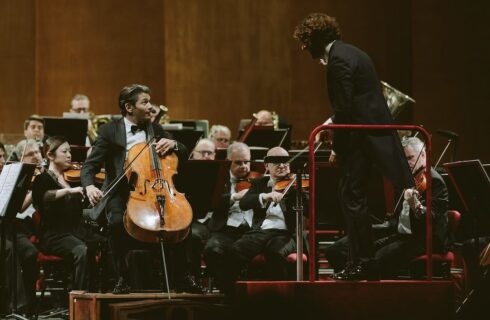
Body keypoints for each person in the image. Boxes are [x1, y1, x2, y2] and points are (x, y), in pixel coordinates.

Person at [294, 13, 414, 280]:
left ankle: (363, 264)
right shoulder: (353, 52)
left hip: (361, 138)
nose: (304, 48)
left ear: (315, 38)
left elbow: (345, 107)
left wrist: (337, 144)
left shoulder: (337, 60)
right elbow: (354, 103)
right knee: (352, 196)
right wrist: (331, 123)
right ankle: (359, 262)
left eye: (305, 42)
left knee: (352, 197)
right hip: (368, 135)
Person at [80, 84, 200, 294]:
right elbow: (90, 165)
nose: (150, 107)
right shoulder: (110, 131)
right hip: (121, 191)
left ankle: (182, 276)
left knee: (182, 223)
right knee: (117, 223)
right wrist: (89, 186)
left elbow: (183, 150)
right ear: (129, 107)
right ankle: (123, 278)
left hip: (156, 189)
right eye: (145, 102)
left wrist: (174, 145)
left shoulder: (156, 129)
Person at [325, 137, 450, 278]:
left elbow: (432, 219)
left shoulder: (435, 181)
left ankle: (365, 292)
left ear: (423, 155)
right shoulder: (407, 178)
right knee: (338, 250)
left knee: (371, 262)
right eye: (404, 159)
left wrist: (416, 205)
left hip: (422, 240)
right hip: (398, 233)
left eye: (410, 158)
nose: (407, 163)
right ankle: (349, 279)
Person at [32, 136, 103, 291]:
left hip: (75, 231)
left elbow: (77, 210)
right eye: (64, 151)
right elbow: (44, 197)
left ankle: (99, 294)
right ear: (50, 156)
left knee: (105, 243)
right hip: (54, 236)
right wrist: (69, 191)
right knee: (81, 250)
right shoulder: (42, 179)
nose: (69, 155)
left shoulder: (70, 178)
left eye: (70, 151)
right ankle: (80, 298)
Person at [202, 142, 254, 289]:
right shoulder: (219, 179)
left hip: (251, 230)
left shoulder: (258, 179)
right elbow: (212, 203)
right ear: (228, 161)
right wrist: (234, 197)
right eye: (238, 162)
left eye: (247, 162)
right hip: (226, 230)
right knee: (212, 250)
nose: (244, 166)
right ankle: (225, 288)